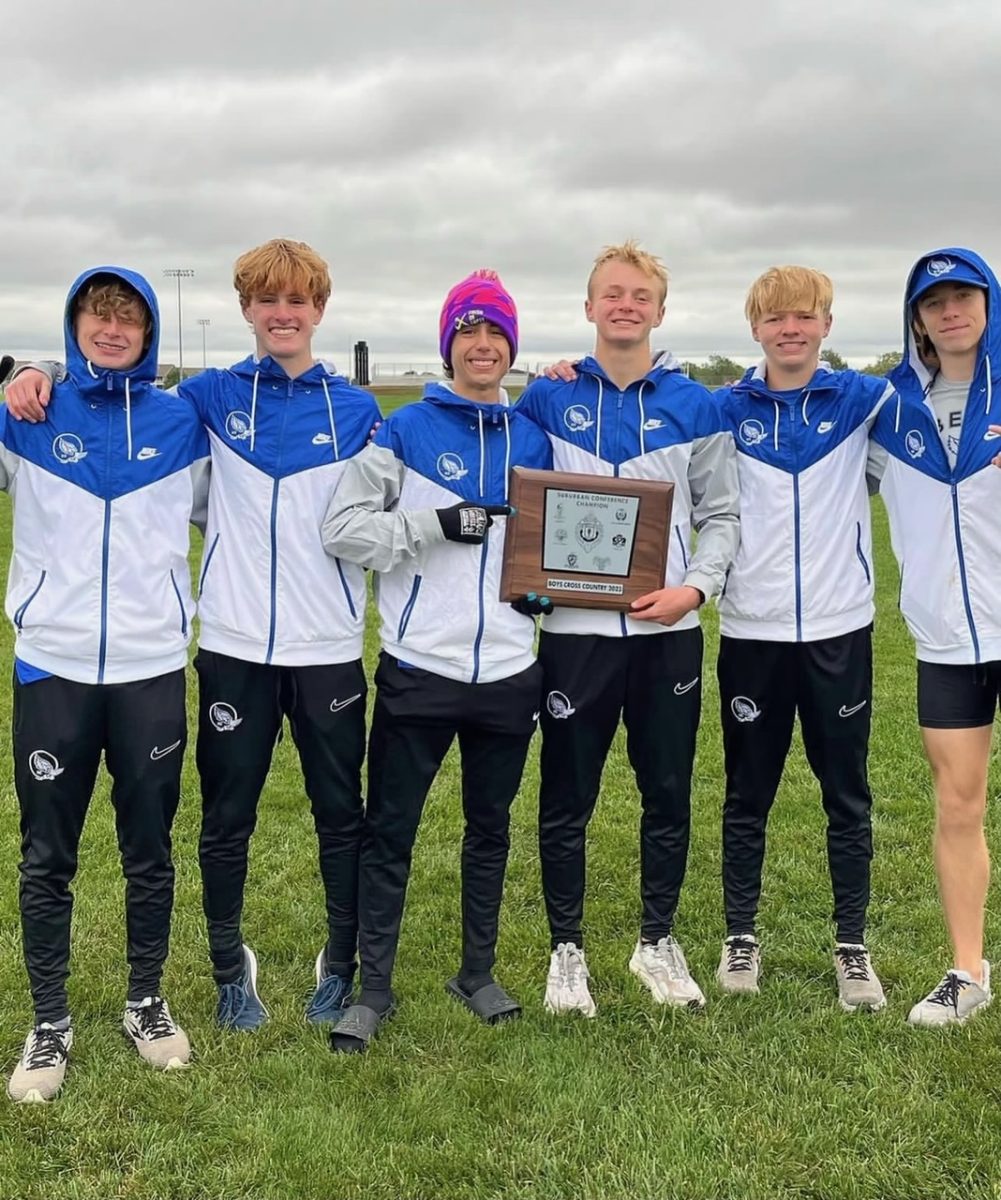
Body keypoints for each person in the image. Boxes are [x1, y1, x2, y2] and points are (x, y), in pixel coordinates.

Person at [5, 239, 381, 1032]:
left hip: (330, 648)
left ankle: (339, 962)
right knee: (225, 818)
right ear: (246, 309)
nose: (282, 315)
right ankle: (226, 967)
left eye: (298, 302)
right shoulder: (205, 401)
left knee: (341, 813)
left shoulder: (355, 410)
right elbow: (101, 403)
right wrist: (22, 374)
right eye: (267, 301)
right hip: (231, 647)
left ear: (319, 309)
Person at [321, 270, 552, 1052]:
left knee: (489, 830)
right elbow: (344, 528)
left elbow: (555, 544)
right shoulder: (406, 429)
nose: (482, 346)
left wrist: (543, 596)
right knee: (390, 831)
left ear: (510, 348)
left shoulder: (537, 435)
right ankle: (374, 987)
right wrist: (432, 527)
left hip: (511, 673)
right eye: (467, 332)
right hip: (419, 669)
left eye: (495, 334)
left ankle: (475, 971)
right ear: (448, 344)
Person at [1, 268, 208, 1102]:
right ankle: (48, 1021)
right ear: (74, 324)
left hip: (151, 668)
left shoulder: (182, 421)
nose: (112, 330)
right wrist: (12, 375)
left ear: (149, 332)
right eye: (98, 315)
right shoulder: (29, 414)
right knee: (47, 853)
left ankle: (145, 1000)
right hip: (51, 665)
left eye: (128, 318)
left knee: (147, 849)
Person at [516, 242, 740, 1016]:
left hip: (665, 632)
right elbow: (520, 508)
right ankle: (565, 950)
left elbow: (720, 513)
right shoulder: (546, 398)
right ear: (588, 307)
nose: (624, 305)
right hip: (574, 635)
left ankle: (656, 941)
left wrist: (694, 589)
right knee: (565, 795)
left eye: (639, 295)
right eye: (611, 293)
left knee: (667, 790)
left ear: (658, 310)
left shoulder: (696, 405)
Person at [713, 266, 892, 1009]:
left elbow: (958, 370)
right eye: (775, 317)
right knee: (745, 794)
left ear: (826, 324)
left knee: (845, 796)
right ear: (754, 327)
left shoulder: (865, 399)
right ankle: (739, 937)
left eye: (805, 316)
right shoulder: (720, 408)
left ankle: (851, 946)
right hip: (750, 631)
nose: (790, 328)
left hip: (837, 632)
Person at [870, 247, 1001, 1026]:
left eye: (964, 296)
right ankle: (966, 971)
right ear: (915, 318)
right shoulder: (883, 406)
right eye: (932, 301)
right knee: (957, 805)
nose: (949, 311)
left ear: (987, 304)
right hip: (946, 641)